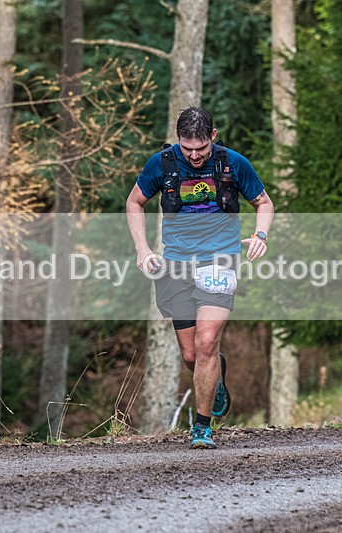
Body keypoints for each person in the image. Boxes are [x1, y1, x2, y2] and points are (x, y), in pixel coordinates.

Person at [125, 106, 274, 449]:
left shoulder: (234, 163)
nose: (193, 156)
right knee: (192, 355)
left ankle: (202, 427)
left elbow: (263, 203)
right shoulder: (161, 164)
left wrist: (260, 235)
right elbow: (135, 202)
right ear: (179, 140)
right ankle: (216, 381)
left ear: (213, 138)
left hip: (220, 263)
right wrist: (143, 249)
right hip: (175, 266)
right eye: (187, 148)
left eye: (201, 149)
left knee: (207, 343)